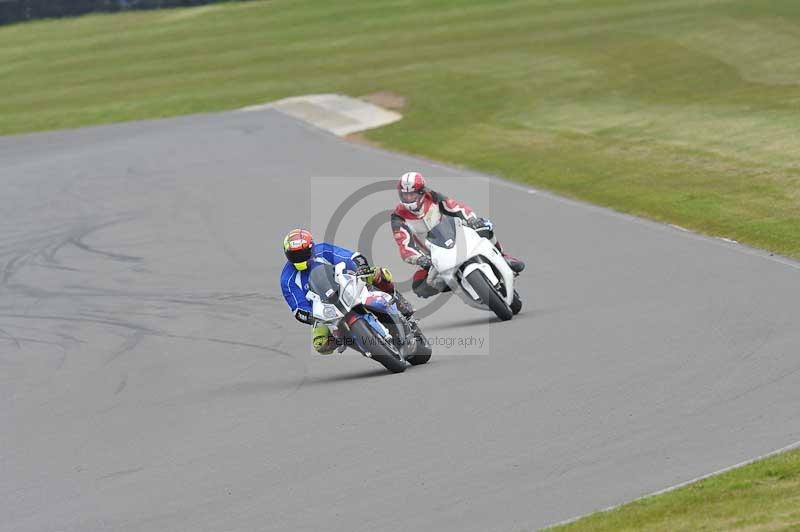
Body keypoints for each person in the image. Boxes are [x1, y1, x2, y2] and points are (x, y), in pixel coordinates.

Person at [390, 171, 525, 298]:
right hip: (433, 256)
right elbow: (404, 246)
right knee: (419, 286)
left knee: (485, 228)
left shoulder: (433, 197)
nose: (408, 198)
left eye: (411, 194)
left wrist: (471, 220)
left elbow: (455, 207)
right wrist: (420, 259)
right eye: (404, 195)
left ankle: (502, 256)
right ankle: (454, 283)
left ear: (421, 192)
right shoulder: (398, 217)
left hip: (455, 235)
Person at [280, 228, 415, 354]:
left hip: (348, 286)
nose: (300, 258)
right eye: (295, 256)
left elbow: (350, 257)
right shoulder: (287, 279)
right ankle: (357, 342)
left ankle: (399, 303)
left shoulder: (323, 250)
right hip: (325, 311)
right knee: (320, 344)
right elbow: (298, 308)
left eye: (303, 253)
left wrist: (361, 267)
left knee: (378, 274)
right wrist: (313, 317)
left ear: (312, 248)